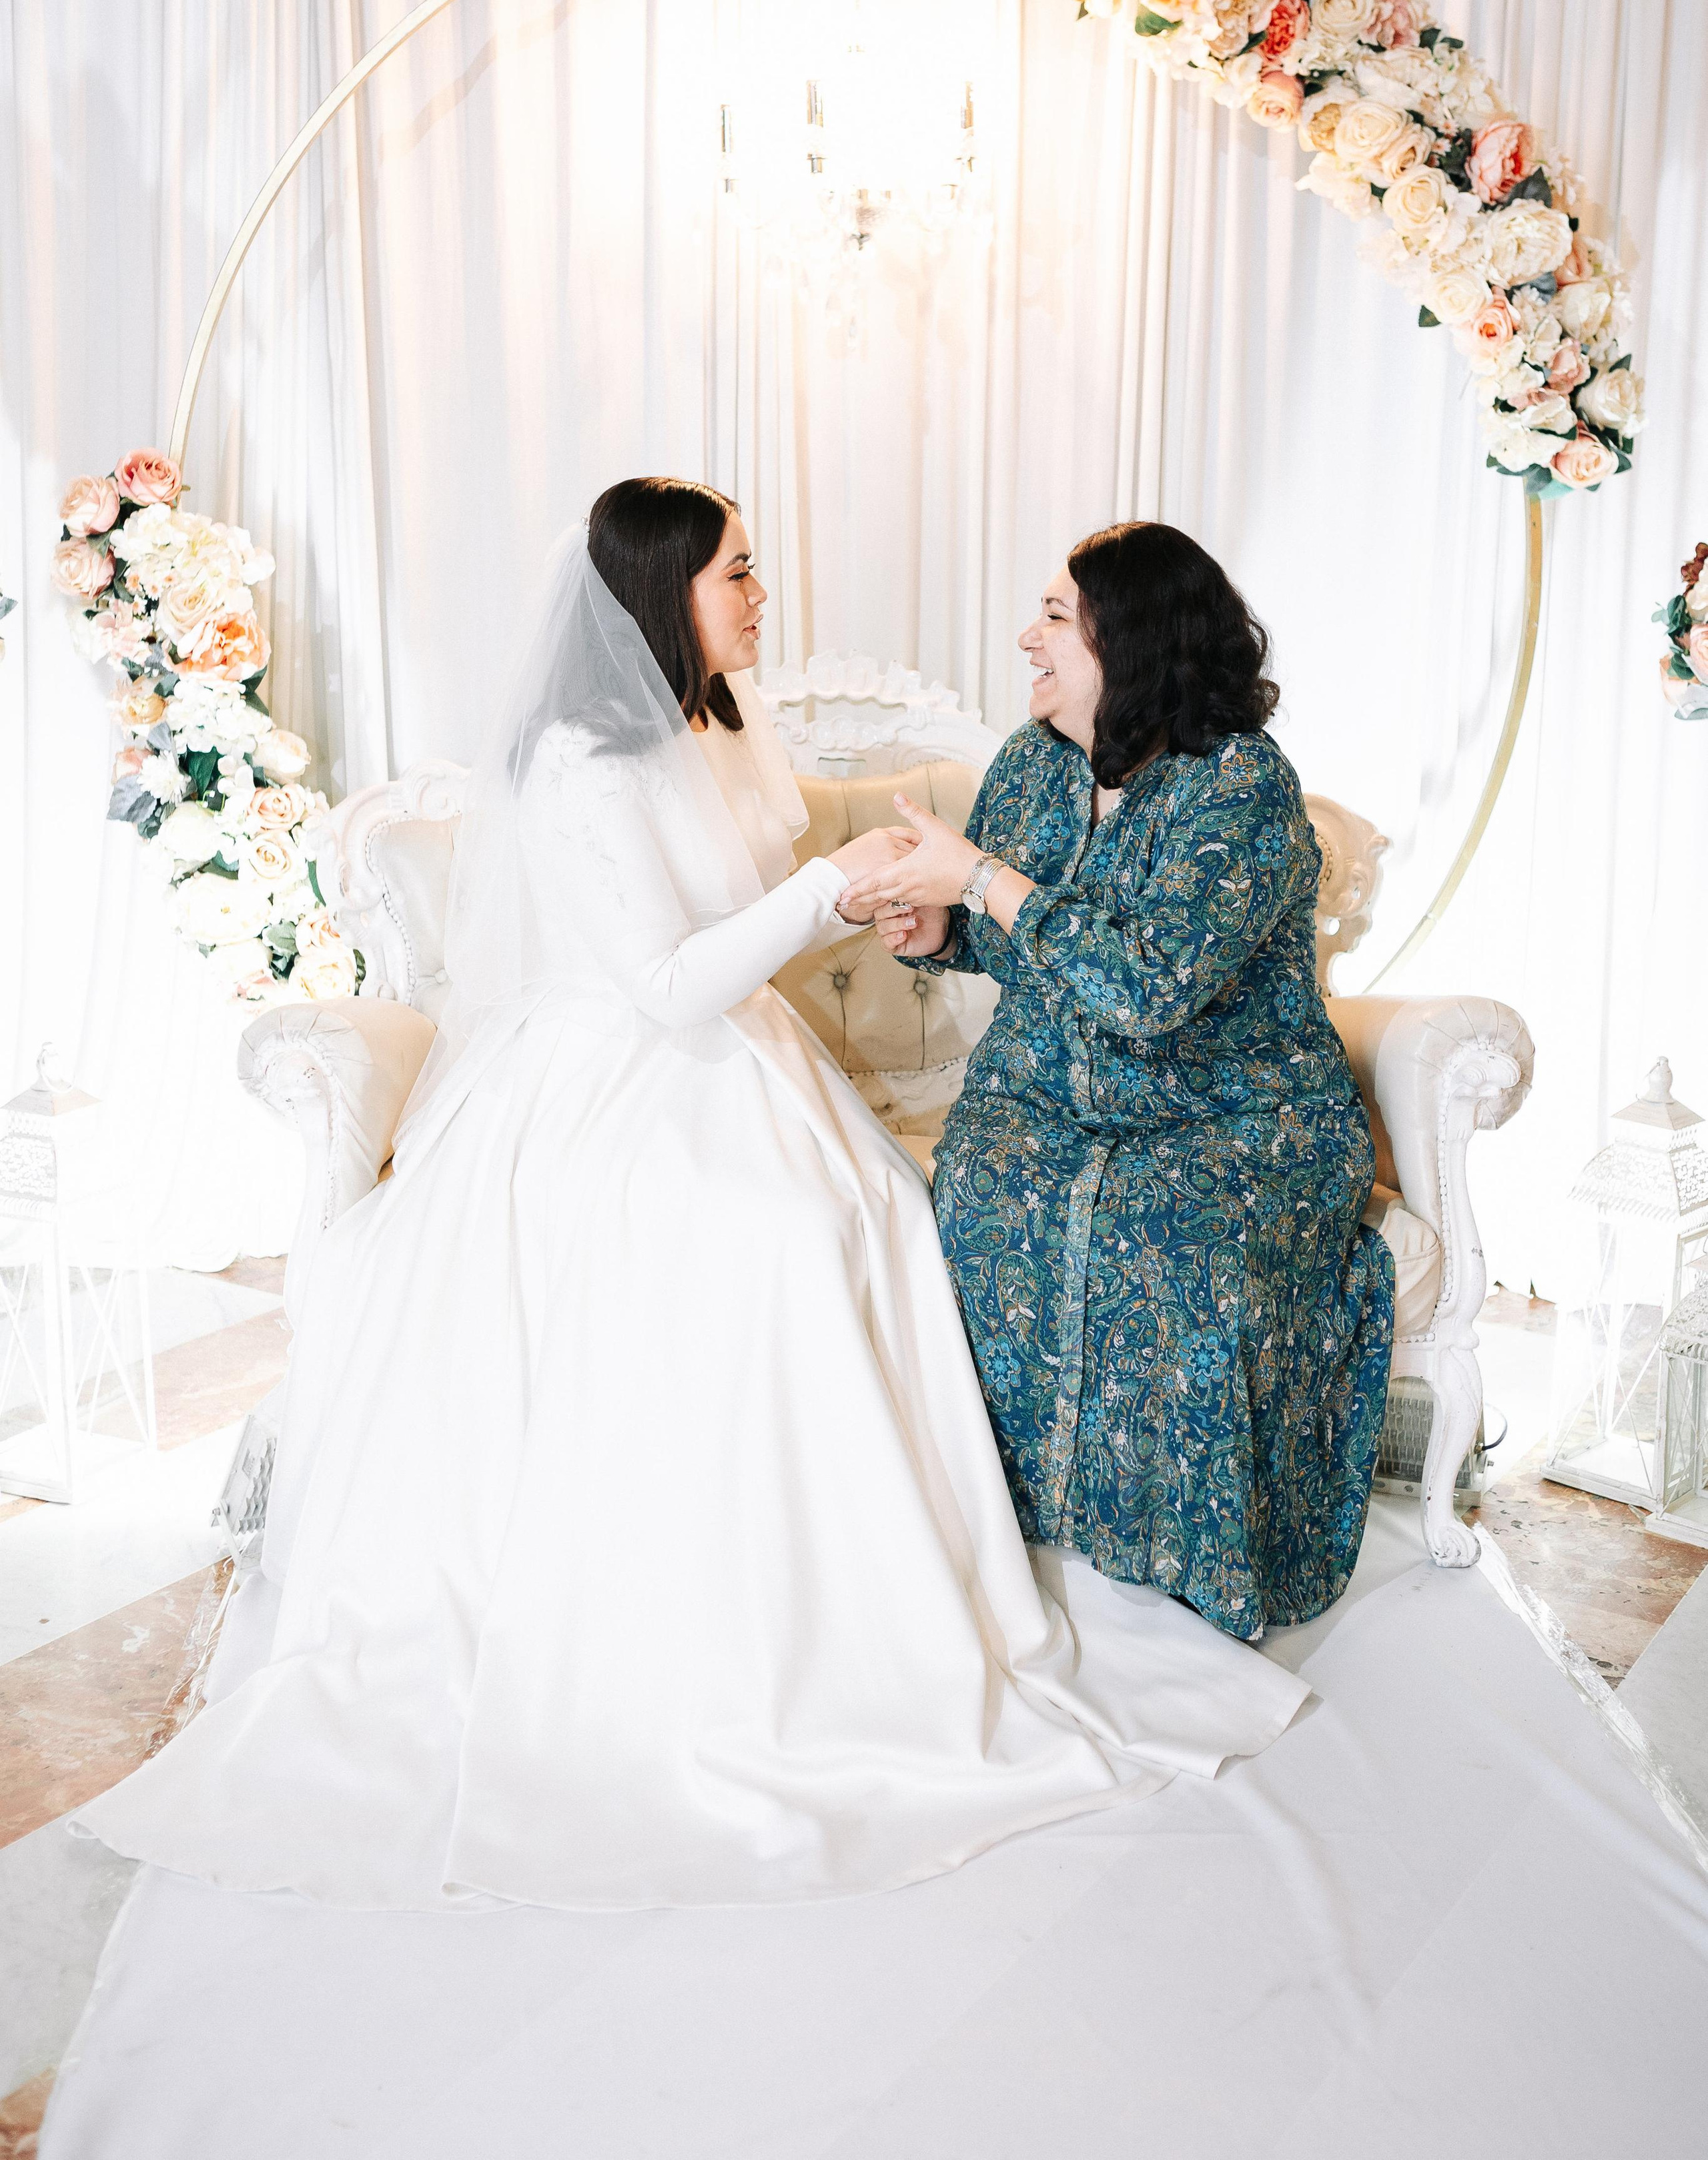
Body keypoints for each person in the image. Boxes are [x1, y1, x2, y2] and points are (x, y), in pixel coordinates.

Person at [77, 479, 1306, 1913]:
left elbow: (766, 917)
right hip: (611, 1070)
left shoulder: (726, 714)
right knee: (761, 1239)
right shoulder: (575, 765)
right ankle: (713, 1624)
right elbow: (665, 984)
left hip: (743, 1052)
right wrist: (836, 889)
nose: (761, 596)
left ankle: (868, 1588)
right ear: (667, 594)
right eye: (737, 574)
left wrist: (893, 903)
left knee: (869, 1211)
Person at [849, 522, 1394, 1642]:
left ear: (1133, 639)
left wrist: (981, 878)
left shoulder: (1241, 787)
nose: (1027, 637)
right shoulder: (1031, 760)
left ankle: (1179, 1555)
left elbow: (1148, 988)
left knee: (1178, 1248)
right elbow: (1012, 942)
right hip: (1046, 1104)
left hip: (1236, 1115)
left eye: (1056, 616)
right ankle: (1016, 1524)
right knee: (978, 1207)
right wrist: (938, 932)